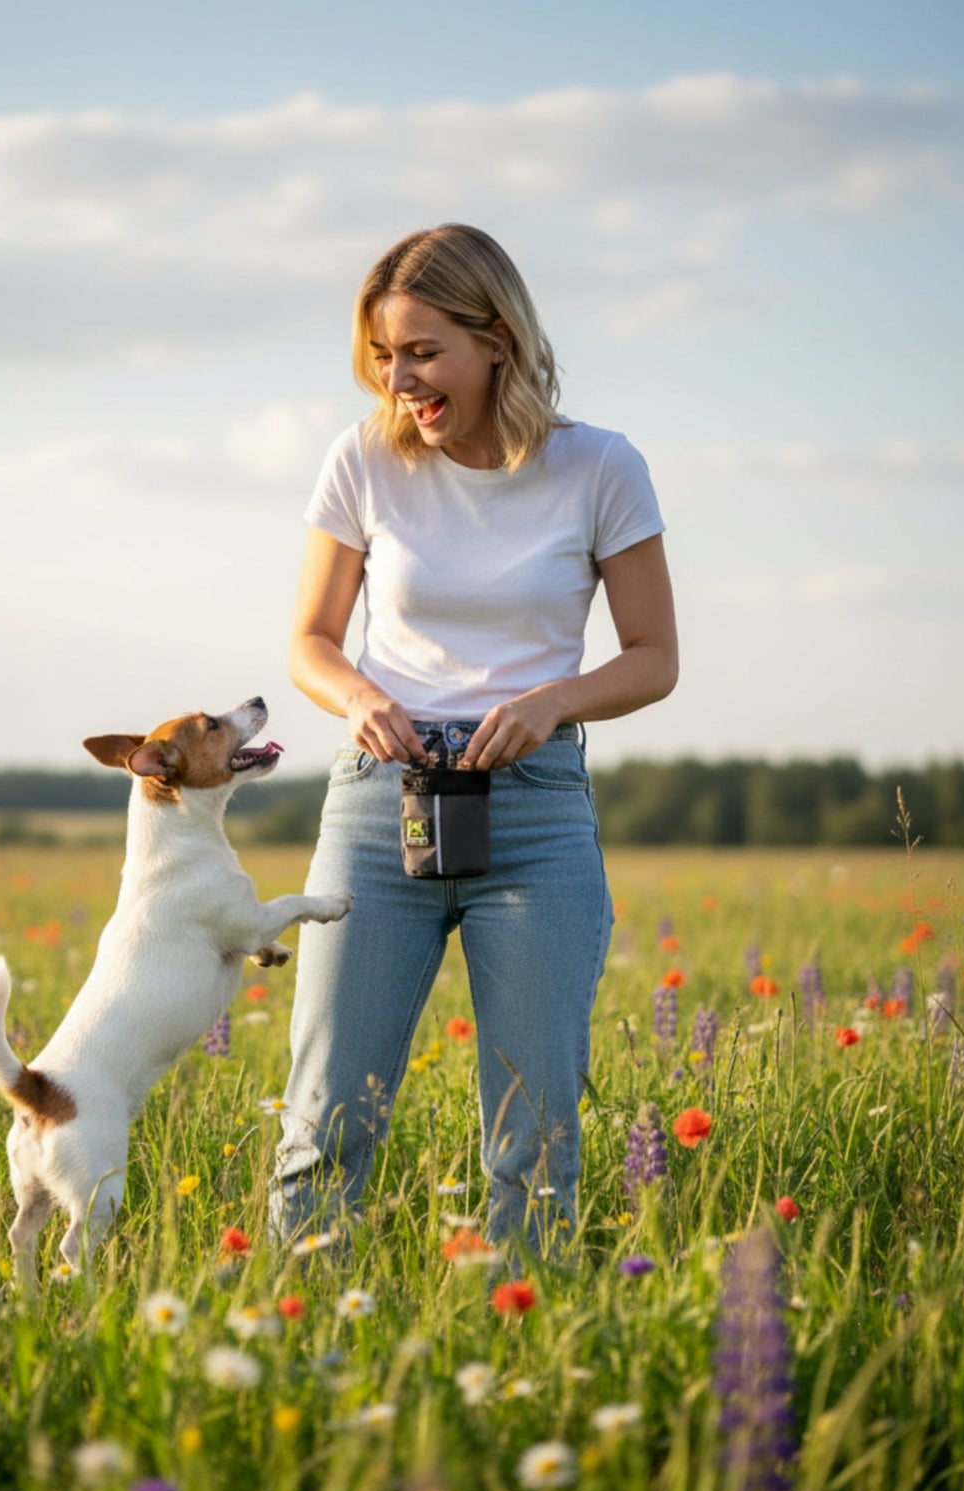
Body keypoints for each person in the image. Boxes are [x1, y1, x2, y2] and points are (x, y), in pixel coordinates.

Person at [268, 224, 678, 1253]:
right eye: (383, 357)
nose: (398, 381)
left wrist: (554, 702)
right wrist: (357, 696)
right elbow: (312, 641)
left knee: (534, 1140)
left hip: (534, 808)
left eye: (420, 352)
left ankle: (527, 1350)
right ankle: (290, 1342)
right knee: (326, 1124)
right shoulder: (363, 459)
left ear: (496, 337)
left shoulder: (602, 468)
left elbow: (653, 657)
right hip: (378, 801)